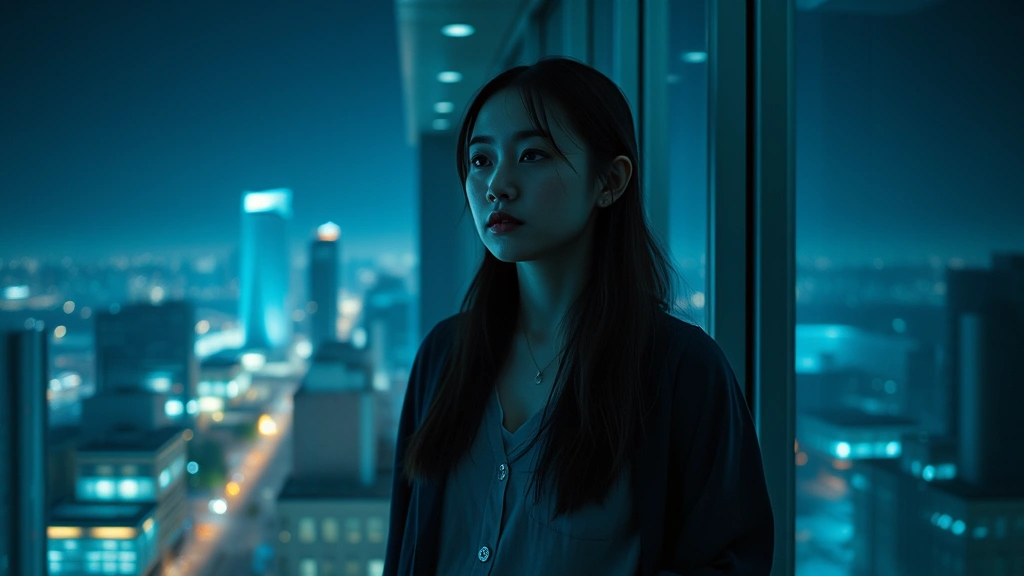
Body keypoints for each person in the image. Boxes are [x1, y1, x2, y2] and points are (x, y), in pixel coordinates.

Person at [383, 56, 774, 576]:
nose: (497, 184)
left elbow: (732, 560)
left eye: (532, 155)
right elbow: (406, 547)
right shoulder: (444, 354)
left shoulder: (681, 369)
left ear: (609, 181)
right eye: (480, 160)